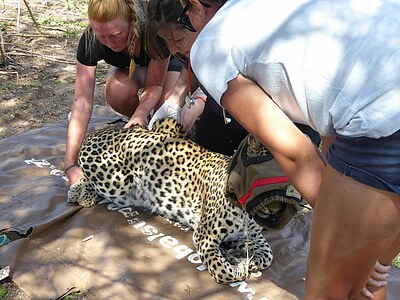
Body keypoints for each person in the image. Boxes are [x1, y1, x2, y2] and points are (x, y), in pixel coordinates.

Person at [179, 0, 400, 299]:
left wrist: (342, 230)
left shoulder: (210, 45)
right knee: (370, 279)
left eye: (185, 16)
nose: (187, 27)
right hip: (383, 85)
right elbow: (331, 113)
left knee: (331, 291)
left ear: (195, 5)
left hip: (384, 115)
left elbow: (297, 152)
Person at [145, 0, 320, 155]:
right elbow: (191, 63)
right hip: (222, 114)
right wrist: (175, 100)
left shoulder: (227, 46)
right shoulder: (198, 42)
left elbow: (290, 145)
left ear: (195, 15)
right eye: (166, 41)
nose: (173, 49)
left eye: (177, 39)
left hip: (280, 116)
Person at [64, 0, 182, 186]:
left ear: (131, 22)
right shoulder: (90, 40)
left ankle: (193, 103)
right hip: (132, 67)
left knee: (165, 113)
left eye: (116, 35)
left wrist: (140, 112)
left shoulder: (152, 29)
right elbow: (82, 103)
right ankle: (142, 129)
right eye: (101, 36)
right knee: (117, 91)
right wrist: (70, 164)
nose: (109, 42)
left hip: (169, 64)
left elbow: (154, 86)